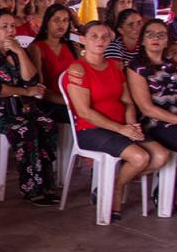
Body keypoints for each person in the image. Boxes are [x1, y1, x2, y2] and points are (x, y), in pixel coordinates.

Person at [65, 22, 169, 220]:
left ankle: (113, 184)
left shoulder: (114, 66)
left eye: (104, 36)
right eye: (94, 36)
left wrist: (131, 124)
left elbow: (128, 101)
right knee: (140, 158)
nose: (100, 40)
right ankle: (116, 192)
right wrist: (121, 129)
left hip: (122, 127)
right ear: (83, 40)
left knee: (161, 156)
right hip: (92, 130)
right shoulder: (78, 69)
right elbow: (84, 112)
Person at [0, 9, 58, 204]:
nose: (11, 31)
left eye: (13, 26)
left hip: (16, 107)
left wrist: (20, 52)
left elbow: (31, 78)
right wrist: (26, 92)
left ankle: (45, 183)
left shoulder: (13, 51)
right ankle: (32, 189)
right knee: (26, 130)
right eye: (4, 27)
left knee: (47, 124)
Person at [127, 19, 177, 211]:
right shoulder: (137, 67)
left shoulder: (172, 66)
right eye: (150, 34)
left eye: (161, 35)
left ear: (167, 40)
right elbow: (147, 109)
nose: (156, 39)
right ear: (142, 40)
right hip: (156, 124)